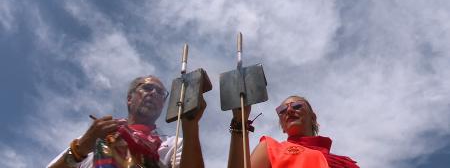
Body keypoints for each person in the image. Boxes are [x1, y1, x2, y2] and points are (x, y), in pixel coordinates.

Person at [47, 75, 206, 168]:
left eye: (160, 92)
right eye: (147, 88)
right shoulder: (98, 135)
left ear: (163, 104)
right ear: (129, 99)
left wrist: (190, 126)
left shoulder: (173, 144)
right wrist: (79, 149)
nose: (153, 94)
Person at [227, 95, 359, 168]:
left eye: (296, 106)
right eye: (282, 110)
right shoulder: (270, 148)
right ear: (283, 127)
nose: (289, 110)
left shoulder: (345, 163)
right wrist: (240, 120)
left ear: (312, 118)